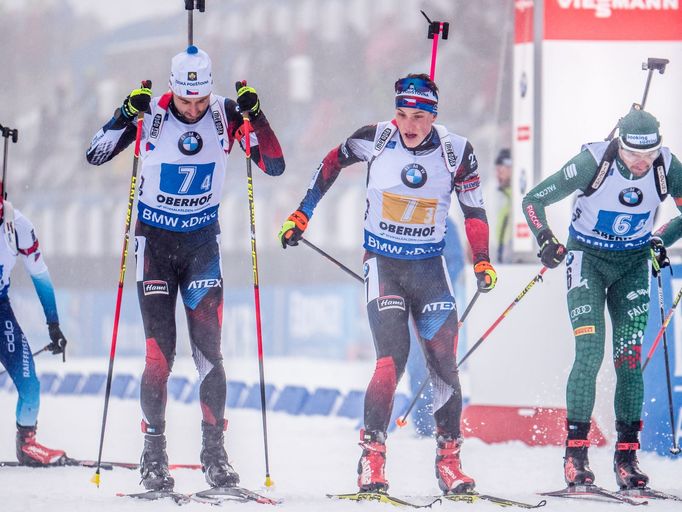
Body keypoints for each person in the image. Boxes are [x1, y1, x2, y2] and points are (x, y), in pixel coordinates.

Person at [278, 73, 496, 495]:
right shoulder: (375, 139)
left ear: (434, 116)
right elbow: (329, 163)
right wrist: (303, 212)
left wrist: (482, 259)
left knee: (444, 365)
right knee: (390, 361)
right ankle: (372, 458)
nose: (408, 125)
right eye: (401, 113)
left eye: (418, 116)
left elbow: (474, 209)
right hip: (384, 265)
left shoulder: (457, 151)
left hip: (430, 269)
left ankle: (449, 462)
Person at [86, 45, 285, 491]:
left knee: (210, 356)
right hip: (154, 246)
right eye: (185, 101)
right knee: (159, 357)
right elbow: (94, 155)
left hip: (200, 248)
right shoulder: (151, 115)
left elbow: (273, 165)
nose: (193, 110)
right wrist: (122, 114)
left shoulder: (227, 115)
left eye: (200, 100)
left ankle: (214, 453)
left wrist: (259, 116)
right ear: (172, 90)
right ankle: (153, 453)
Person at [521, 107, 682, 490]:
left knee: (628, 358)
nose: (642, 164)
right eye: (632, 155)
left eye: (649, 155)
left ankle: (626, 457)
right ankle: (575, 456)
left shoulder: (667, 166)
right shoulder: (592, 161)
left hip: (631, 265)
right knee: (590, 350)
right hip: (587, 261)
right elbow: (533, 200)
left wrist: (661, 238)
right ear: (618, 145)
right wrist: (546, 238)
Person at [0, 198, 69, 465]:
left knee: (29, 384)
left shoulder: (18, 226)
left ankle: (27, 445)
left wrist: (54, 325)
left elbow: (41, 276)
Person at [406, 216, 465, 437]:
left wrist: (432, 285)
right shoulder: (404, 220)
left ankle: (445, 427)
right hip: (410, 305)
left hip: (436, 307)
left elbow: (456, 262)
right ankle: (422, 424)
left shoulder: (445, 223)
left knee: (440, 365)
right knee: (415, 364)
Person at [494, 148, 512, 263]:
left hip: (513, 256)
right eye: (497, 170)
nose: (498, 174)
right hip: (502, 255)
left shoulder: (519, 196)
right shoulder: (502, 195)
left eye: (501, 170)